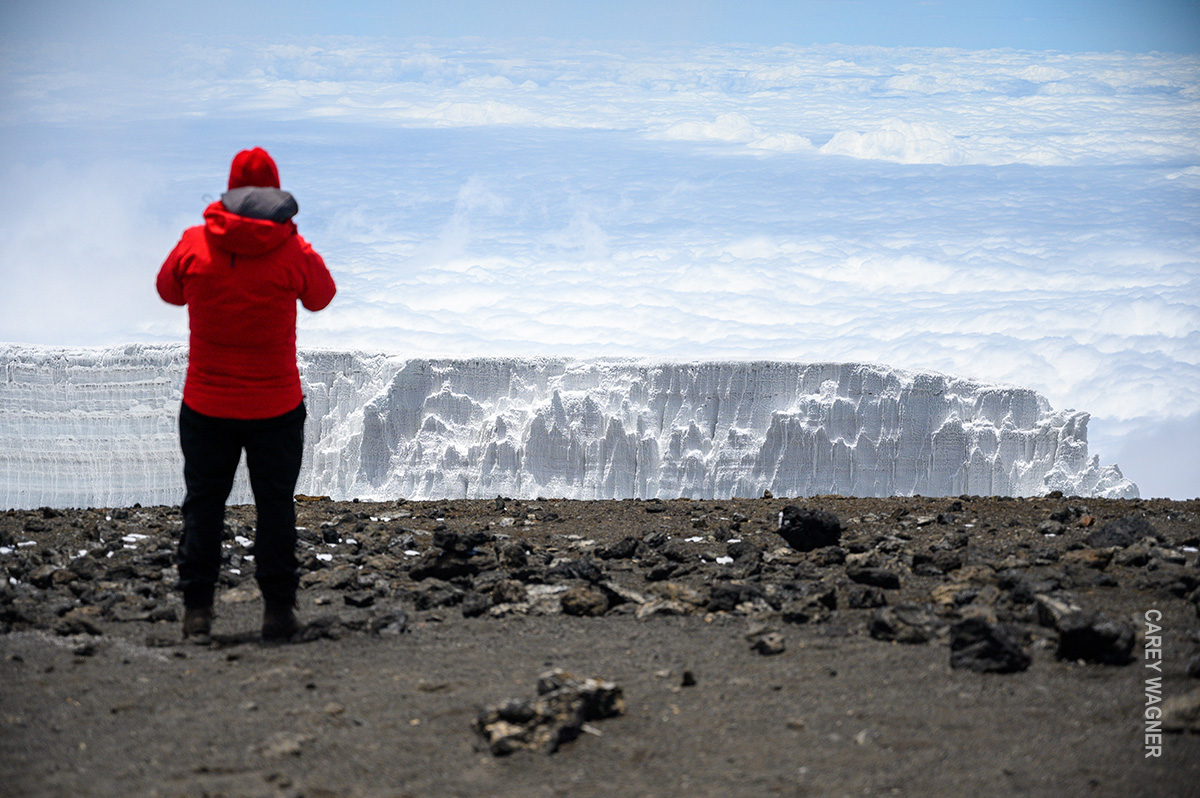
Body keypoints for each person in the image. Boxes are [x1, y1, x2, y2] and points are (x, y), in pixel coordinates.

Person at [156, 148, 336, 642]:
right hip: (275, 407)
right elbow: (321, 295)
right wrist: (292, 239)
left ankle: (197, 615)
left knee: (204, 506)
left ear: (229, 191)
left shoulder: (194, 244)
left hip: (206, 404)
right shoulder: (292, 250)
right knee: (274, 507)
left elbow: (168, 291)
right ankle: (278, 613)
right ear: (276, 194)